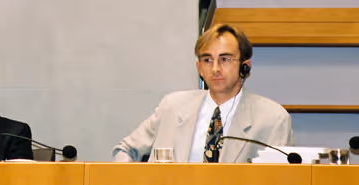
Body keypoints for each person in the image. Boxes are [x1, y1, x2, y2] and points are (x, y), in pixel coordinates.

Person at [113, 23, 293, 163]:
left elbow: (280, 184)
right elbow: (125, 150)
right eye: (207, 60)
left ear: (245, 67)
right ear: (199, 68)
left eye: (225, 59)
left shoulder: (272, 119)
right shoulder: (172, 107)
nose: (215, 69)